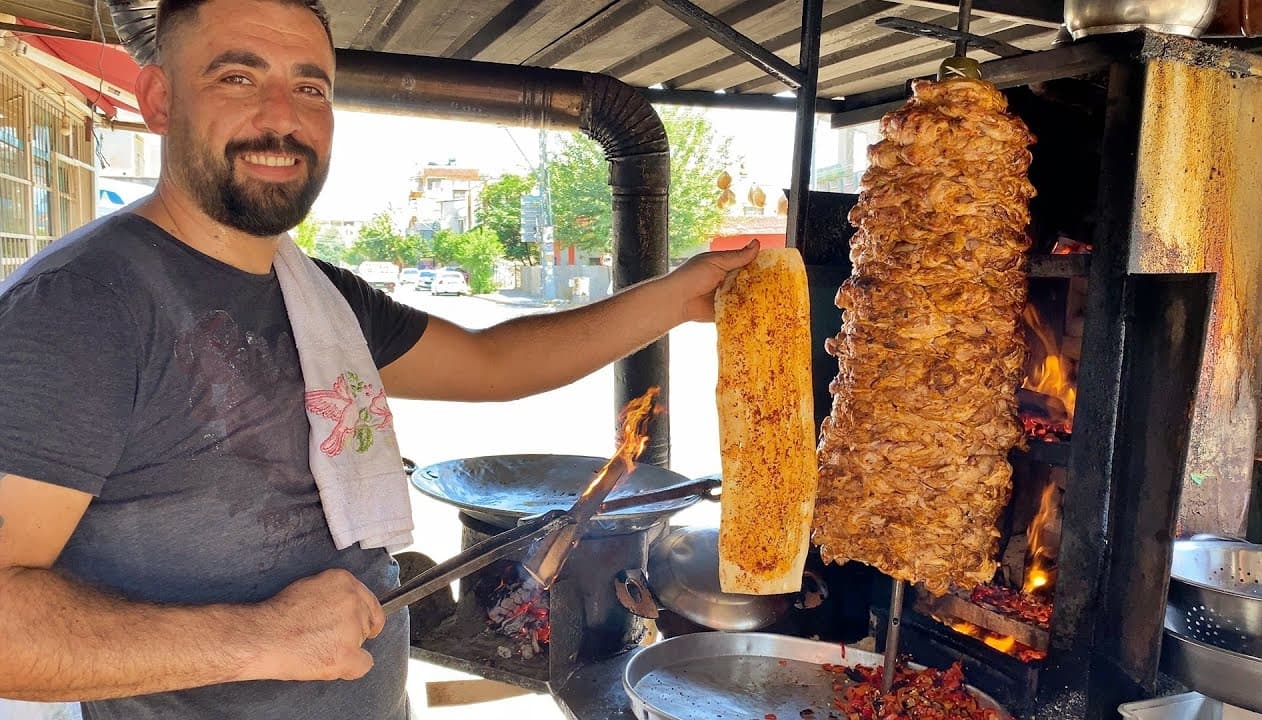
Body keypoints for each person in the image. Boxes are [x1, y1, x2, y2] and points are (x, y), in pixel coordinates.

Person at [0, 0, 759, 718]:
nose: (282, 119)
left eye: (310, 87)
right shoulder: (81, 306)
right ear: (158, 99)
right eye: (238, 77)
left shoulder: (317, 294)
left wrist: (674, 298)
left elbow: (494, 363)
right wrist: (260, 636)